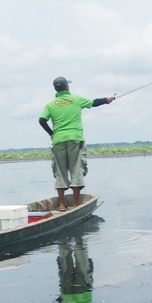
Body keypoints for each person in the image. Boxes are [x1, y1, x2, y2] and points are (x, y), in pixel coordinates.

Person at [38, 77, 114, 210]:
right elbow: (94, 102)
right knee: (76, 170)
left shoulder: (50, 104)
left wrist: (51, 133)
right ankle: (75, 204)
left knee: (60, 172)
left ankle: (61, 205)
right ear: (67, 87)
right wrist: (108, 99)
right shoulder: (76, 99)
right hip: (75, 140)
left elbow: (42, 120)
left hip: (58, 141)